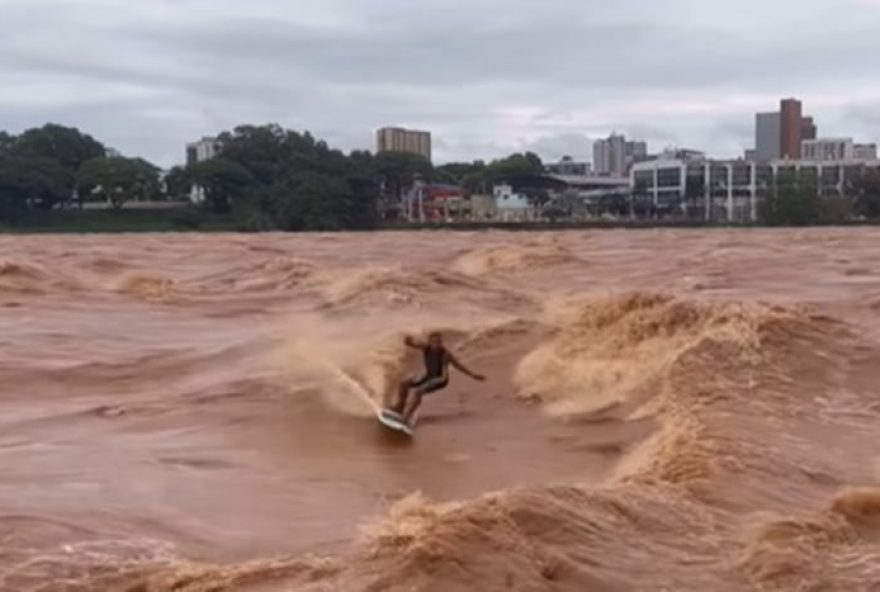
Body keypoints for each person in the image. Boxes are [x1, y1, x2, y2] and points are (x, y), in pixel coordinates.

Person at [390, 331, 485, 427]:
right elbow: (412, 344)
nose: (437, 345)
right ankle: (400, 407)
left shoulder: (445, 354)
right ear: (430, 342)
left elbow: (458, 366)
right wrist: (407, 340)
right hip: (428, 376)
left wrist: (473, 375)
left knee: (418, 391)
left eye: (439, 342)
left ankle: (406, 417)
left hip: (440, 379)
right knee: (403, 384)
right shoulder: (426, 348)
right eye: (435, 342)